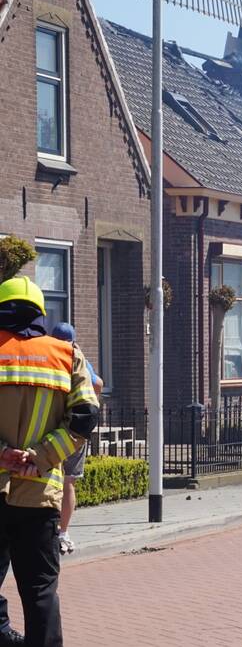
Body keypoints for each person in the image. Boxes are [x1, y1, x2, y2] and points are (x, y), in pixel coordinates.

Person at [0, 277, 99, 647]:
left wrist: (3, 454)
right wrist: (39, 458)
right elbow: (86, 417)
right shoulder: (66, 354)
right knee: (40, 593)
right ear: (41, 313)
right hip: (39, 496)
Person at [49, 323, 103, 556]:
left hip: (52, 426)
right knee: (69, 481)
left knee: (48, 476)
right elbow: (98, 383)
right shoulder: (79, 357)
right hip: (74, 430)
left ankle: (48, 529)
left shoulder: (49, 355)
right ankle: (64, 532)